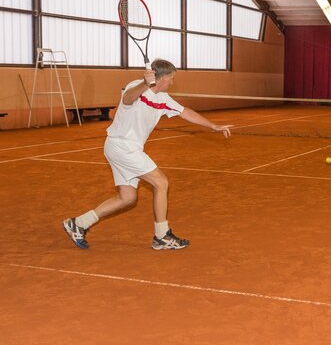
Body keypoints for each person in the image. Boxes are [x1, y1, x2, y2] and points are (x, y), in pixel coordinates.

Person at [62, 59, 232, 250]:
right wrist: (145, 83)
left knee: (127, 198)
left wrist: (213, 126)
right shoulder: (136, 86)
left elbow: (186, 112)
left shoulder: (164, 99)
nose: (172, 83)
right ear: (163, 78)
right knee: (161, 183)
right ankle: (162, 236)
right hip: (122, 146)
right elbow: (127, 99)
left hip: (124, 148)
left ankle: (79, 223)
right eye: (171, 79)